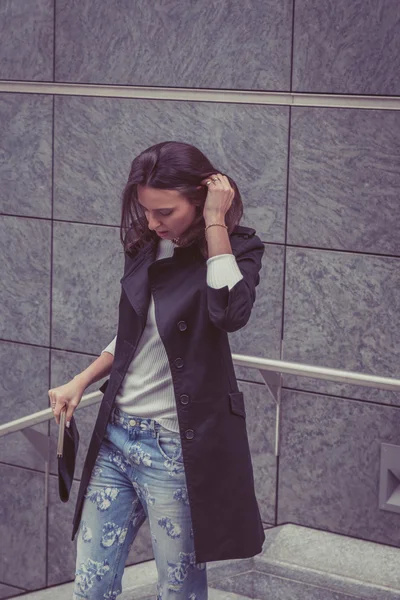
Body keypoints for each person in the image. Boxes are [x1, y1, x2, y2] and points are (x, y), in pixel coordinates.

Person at [48, 141, 266, 600]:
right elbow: (134, 334)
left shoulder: (236, 247)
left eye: (164, 211)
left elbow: (229, 312)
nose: (152, 222)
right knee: (89, 587)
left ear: (202, 198)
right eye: (146, 210)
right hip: (116, 438)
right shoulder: (147, 245)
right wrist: (81, 381)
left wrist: (214, 224)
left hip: (174, 449)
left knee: (179, 592)